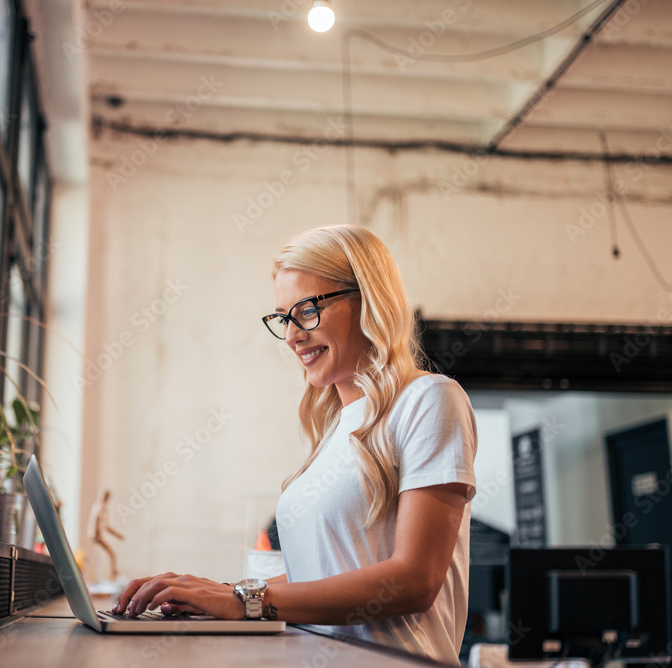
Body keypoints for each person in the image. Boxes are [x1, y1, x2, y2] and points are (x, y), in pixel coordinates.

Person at [112, 225, 477, 665]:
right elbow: (322, 572)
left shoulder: (429, 399)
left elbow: (414, 580)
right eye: (283, 318)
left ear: (368, 301)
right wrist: (221, 593)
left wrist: (245, 602)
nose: (291, 335)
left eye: (306, 311)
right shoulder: (335, 429)